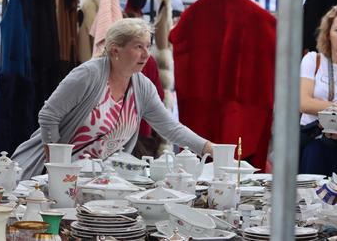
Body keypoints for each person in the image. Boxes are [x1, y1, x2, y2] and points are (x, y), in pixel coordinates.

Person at [12, 18, 214, 180]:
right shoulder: (88, 74)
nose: (146, 54)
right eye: (138, 47)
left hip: (98, 180)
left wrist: (210, 148)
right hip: (48, 176)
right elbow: (49, 115)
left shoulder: (142, 87)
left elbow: (171, 128)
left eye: (147, 46)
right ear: (115, 50)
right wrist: (56, 163)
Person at [299, 3, 337, 176]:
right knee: (310, 197)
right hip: (315, 142)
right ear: (328, 33)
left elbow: (312, 103)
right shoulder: (313, 59)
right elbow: (304, 103)